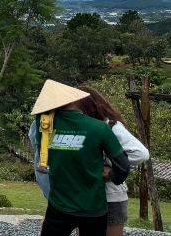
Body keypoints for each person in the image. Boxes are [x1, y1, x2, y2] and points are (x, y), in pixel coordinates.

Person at [32, 79, 131, 236]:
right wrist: (111, 176)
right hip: (94, 208)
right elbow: (124, 166)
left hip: (59, 206)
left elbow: (44, 154)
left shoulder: (43, 125)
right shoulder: (100, 128)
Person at [77, 86, 149, 236]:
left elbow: (140, 153)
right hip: (86, 196)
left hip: (110, 197)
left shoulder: (111, 126)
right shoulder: (82, 127)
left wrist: (110, 166)